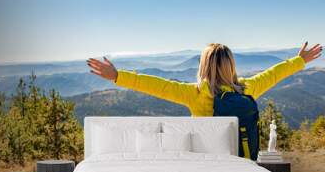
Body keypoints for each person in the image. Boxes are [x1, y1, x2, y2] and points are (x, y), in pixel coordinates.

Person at [86, 42, 322, 117]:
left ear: (203, 67)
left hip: (204, 160)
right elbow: (274, 73)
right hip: (240, 159)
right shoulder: (248, 89)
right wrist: (299, 61)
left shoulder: (194, 93)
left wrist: (117, 77)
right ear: (231, 65)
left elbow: (155, 85)